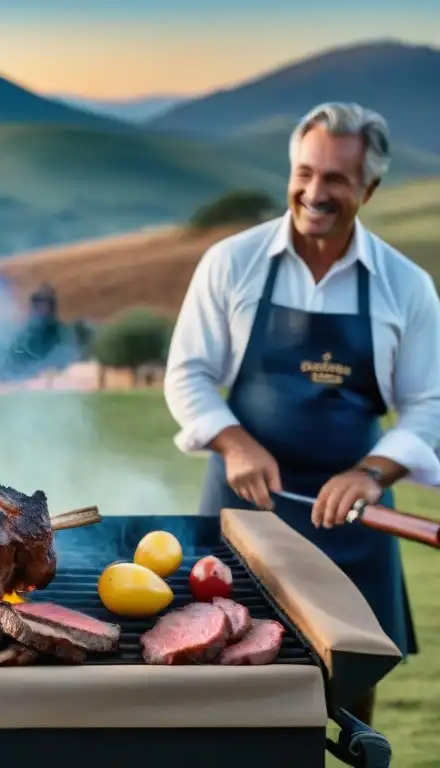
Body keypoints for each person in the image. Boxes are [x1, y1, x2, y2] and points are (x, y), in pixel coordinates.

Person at [164, 102, 440, 726]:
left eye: (337, 179)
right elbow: (188, 374)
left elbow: (430, 405)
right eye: (305, 172)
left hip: (356, 520)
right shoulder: (231, 263)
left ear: (369, 188)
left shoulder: (406, 286)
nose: (314, 193)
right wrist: (234, 442)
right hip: (244, 511)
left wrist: (373, 473)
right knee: (220, 668)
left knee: (352, 683)